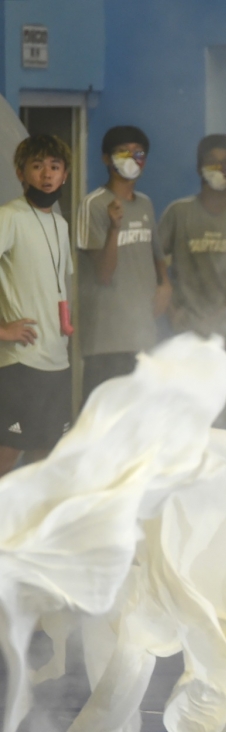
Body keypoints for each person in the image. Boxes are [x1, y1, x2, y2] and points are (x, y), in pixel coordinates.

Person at [159, 134, 226, 446]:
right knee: (192, 409)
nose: (220, 170)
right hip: (190, 331)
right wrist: (173, 311)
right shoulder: (179, 214)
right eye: (213, 164)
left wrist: (224, 315)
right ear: (199, 168)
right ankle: (192, 474)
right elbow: (156, 265)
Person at [0, 134, 75, 477]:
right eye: (37, 165)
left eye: (54, 166)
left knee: (46, 460)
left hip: (57, 361)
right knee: (7, 456)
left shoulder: (60, 224)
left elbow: (58, 288)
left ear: (65, 174)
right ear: (20, 172)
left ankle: (30, 532)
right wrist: (3, 331)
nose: (47, 174)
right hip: (21, 359)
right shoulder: (10, 216)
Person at [76, 125, 169, 399]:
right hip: (105, 340)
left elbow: (157, 256)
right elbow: (104, 274)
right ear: (106, 159)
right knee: (103, 427)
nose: (131, 159)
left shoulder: (145, 204)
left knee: (141, 424)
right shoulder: (93, 205)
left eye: (138, 153)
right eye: (123, 153)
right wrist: (114, 228)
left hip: (142, 336)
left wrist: (165, 284)